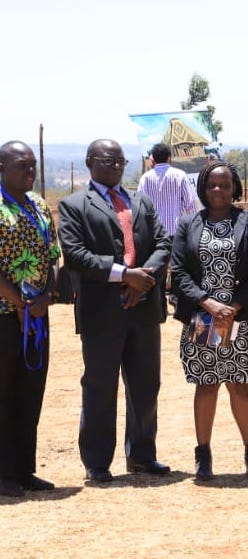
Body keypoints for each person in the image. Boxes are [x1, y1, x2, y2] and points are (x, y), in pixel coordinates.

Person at [58, 138, 172, 483]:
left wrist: (144, 279)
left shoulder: (140, 200)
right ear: (90, 161)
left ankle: (141, 455)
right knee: (99, 387)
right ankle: (97, 462)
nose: (117, 166)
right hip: (102, 313)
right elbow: (76, 255)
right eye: (109, 161)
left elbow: (163, 242)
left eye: (121, 161)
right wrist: (124, 275)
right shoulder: (74, 205)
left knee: (145, 385)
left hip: (143, 309)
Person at [170, 161, 248, 481]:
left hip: (239, 319)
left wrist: (234, 305)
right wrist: (208, 302)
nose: (218, 190)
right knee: (207, 385)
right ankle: (203, 458)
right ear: (203, 188)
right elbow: (179, 272)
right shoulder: (189, 224)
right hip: (204, 317)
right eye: (212, 185)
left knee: (239, 385)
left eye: (225, 185)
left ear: (235, 188)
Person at [0, 141, 60, 496]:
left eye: (34, 165)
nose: (31, 172)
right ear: (2, 168)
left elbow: (53, 255)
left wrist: (46, 295)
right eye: (23, 165)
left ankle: (24, 469)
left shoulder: (38, 205)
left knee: (30, 392)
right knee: (3, 393)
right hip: (6, 316)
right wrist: (19, 302)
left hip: (36, 316)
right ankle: (3, 472)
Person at [137, 143, 198, 237]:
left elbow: (140, 206)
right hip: (177, 232)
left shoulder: (145, 179)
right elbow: (190, 204)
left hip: (155, 234)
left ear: (154, 158)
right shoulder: (180, 175)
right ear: (169, 157)